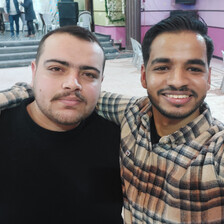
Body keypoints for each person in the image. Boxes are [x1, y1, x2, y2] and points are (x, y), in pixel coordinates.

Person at [2, 15, 224, 223]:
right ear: (144, 76)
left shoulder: (216, 151)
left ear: (208, 78)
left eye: (194, 69)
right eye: (56, 68)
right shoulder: (132, 115)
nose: (177, 81)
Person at [0, 26, 123, 223]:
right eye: (56, 69)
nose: (72, 83)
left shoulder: (122, 141)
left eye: (89, 74)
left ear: (101, 81)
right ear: (34, 72)